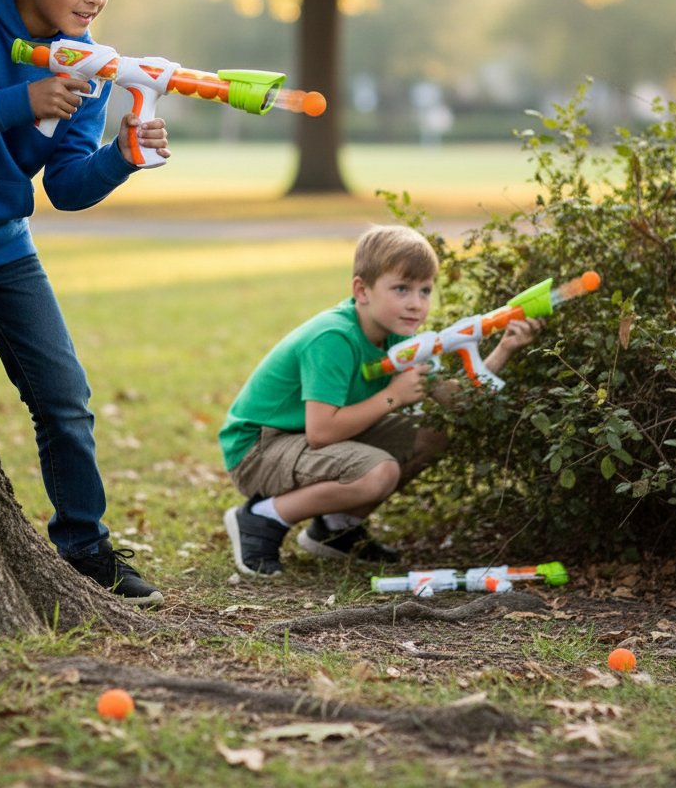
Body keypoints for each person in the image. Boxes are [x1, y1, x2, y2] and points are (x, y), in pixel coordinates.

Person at [0, 0, 168, 607]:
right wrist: (27, 100)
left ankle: (83, 545)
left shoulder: (92, 64)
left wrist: (123, 156)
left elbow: (68, 188)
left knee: (66, 399)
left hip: (2, 248)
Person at [220, 224, 542, 576]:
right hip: (259, 450)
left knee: (434, 431)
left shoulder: (398, 336)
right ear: (362, 290)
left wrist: (504, 349)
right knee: (380, 472)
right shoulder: (333, 338)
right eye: (401, 288)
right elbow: (321, 433)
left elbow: (456, 401)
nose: (416, 303)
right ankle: (260, 519)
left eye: (425, 290)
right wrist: (393, 396)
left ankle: (336, 530)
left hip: (303, 442)